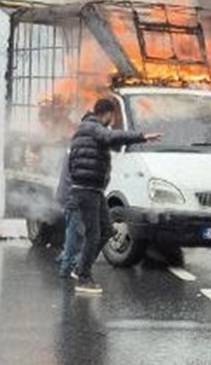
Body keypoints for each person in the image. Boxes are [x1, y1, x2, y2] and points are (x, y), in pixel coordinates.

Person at [67, 98, 160, 294]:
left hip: (93, 189)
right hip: (87, 189)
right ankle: (83, 278)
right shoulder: (92, 127)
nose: (113, 120)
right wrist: (142, 137)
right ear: (107, 114)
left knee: (107, 231)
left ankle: (80, 268)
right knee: (94, 235)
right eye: (113, 116)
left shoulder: (86, 128)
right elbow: (110, 137)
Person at [55, 150, 82, 279]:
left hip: (66, 194)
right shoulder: (80, 151)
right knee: (75, 231)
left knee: (71, 228)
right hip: (73, 195)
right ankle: (69, 265)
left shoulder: (73, 148)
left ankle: (66, 257)